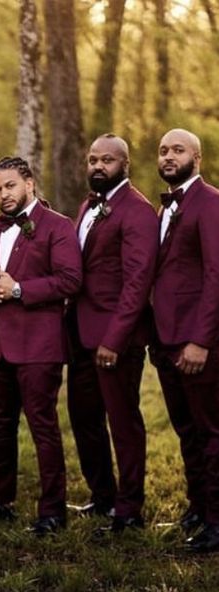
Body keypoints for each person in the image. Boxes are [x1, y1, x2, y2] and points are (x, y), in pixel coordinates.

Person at [0, 156, 81, 535]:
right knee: (0, 427)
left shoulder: (58, 226)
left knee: (43, 427)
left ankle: (52, 511)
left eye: (10, 186)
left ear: (30, 183)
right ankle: (2, 502)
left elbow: (70, 280)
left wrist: (18, 289)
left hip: (39, 347)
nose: (3, 194)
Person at [67, 134, 159, 533]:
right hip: (79, 335)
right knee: (83, 417)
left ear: (125, 164)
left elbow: (138, 283)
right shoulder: (89, 205)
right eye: (92, 159)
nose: (98, 166)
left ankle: (129, 508)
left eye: (107, 160)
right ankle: (102, 496)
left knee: (123, 422)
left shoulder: (137, 211)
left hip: (116, 340)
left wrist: (115, 340)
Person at [151, 128, 219, 553]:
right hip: (165, 340)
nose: (169, 156)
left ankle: (217, 521)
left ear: (197, 157)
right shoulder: (167, 207)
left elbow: (216, 277)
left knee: (212, 430)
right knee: (186, 429)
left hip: (198, 342)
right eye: (163, 151)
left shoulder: (210, 204)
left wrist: (201, 340)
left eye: (178, 150)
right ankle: (197, 508)